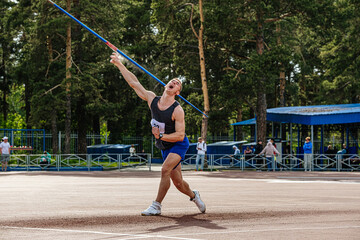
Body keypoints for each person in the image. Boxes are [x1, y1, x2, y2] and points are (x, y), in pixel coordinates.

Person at [110, 52, 205, 216]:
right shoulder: (152, 99)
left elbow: (180, 136)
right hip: (164, 146)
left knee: (164, 170)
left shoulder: (177, 110)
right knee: (178, 182)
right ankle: (194, 195)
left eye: (177, 84)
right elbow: (134, 83)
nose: (173, 83)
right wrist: (119, 64)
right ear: (165, 85)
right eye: (172, 81)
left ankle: (156, 205)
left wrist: (160, 136)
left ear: (177, 92)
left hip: (177, 144)